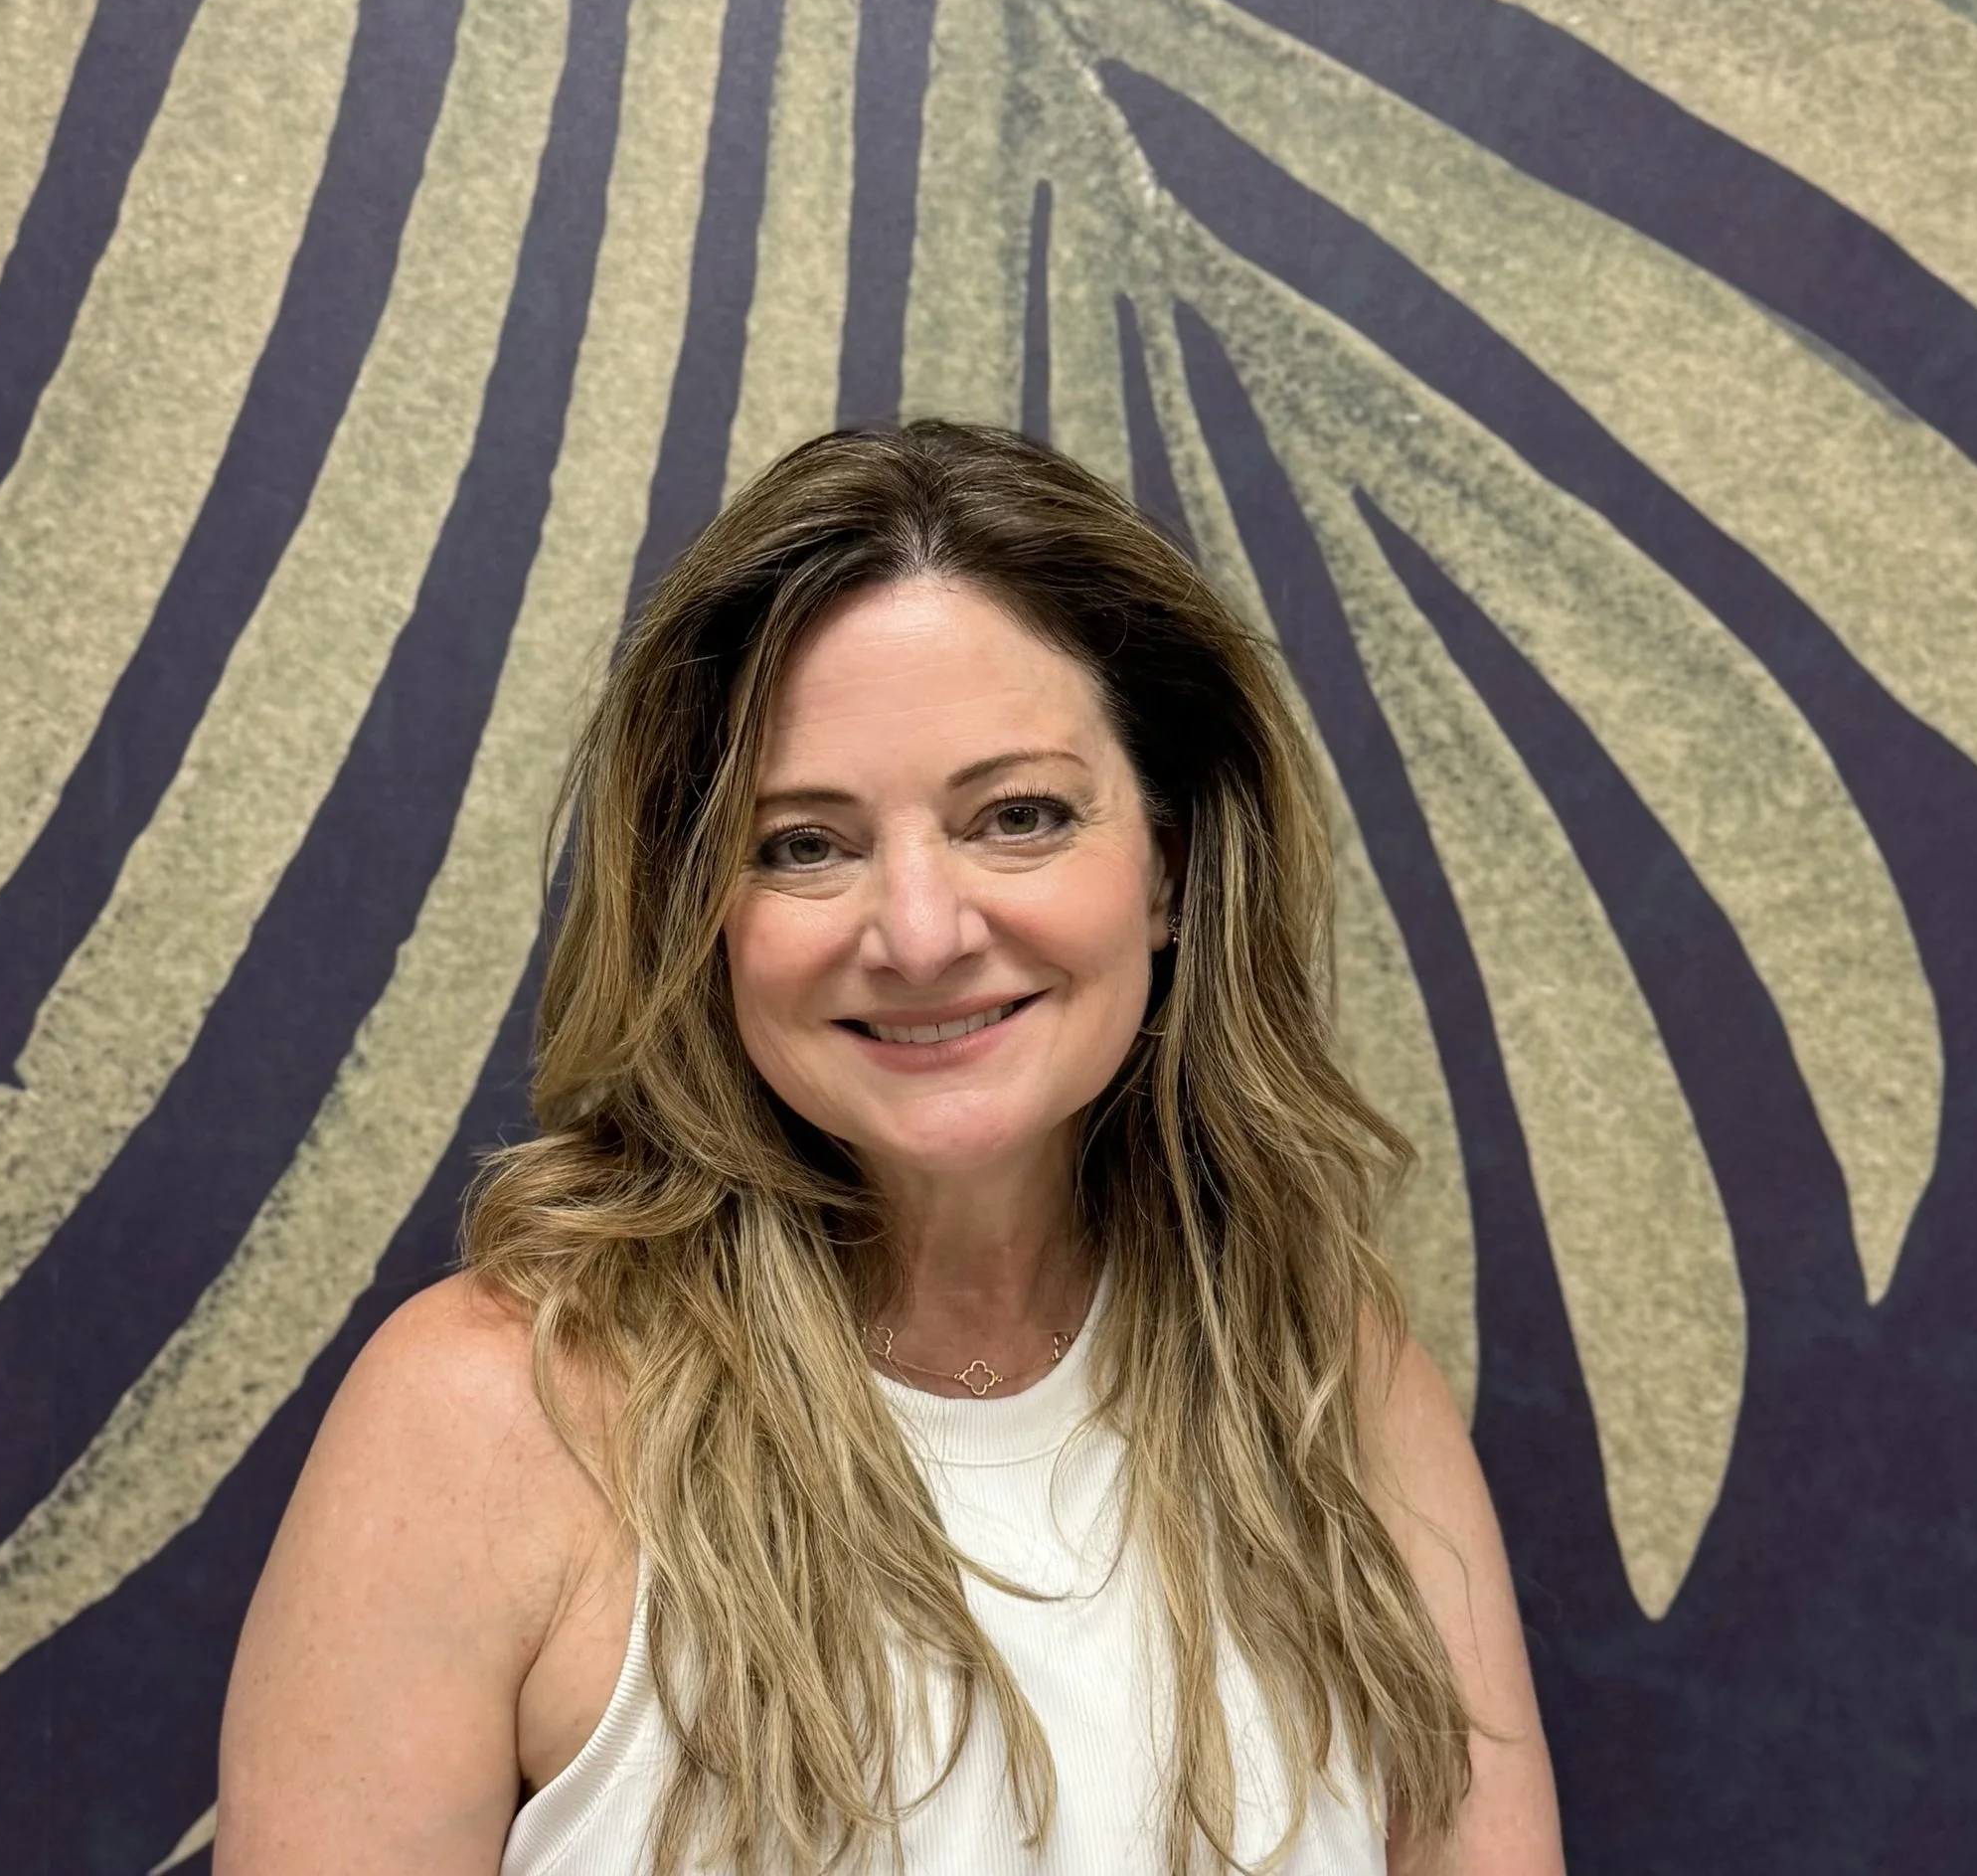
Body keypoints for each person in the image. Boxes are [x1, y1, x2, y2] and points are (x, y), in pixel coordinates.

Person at [217, 421, 1563, 1875]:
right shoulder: (490, 1416)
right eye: (804, 843)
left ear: (1169, 866)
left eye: (1018, 817)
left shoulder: (1327, 1384)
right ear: (697, 910)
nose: (920, 934)